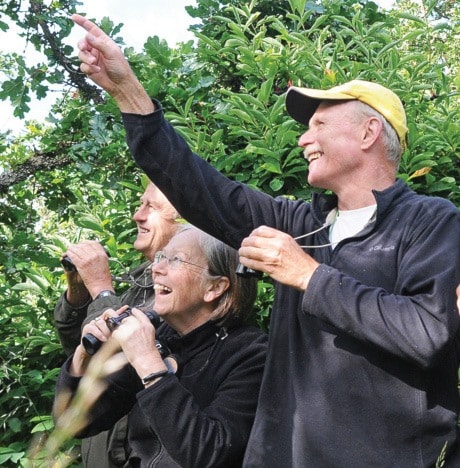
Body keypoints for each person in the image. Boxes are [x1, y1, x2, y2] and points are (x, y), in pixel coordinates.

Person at [71, 14, 460, 466]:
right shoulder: (297, 221)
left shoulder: (431, 221)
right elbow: (199, 188)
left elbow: (429, 333)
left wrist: (308, 276)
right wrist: (127, 92)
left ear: (369, 132)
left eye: (318, 124)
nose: (302, 139)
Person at [54, 225, 268, 467]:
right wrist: (81, 359)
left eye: (175, 260)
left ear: (215, 287)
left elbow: (209, 453)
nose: (156, 268)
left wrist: (149, 363)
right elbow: (74, 423)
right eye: (161, 257)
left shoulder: (251, 355)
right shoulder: (164, 335)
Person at [54, 181, 183, 466]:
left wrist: (101, 289)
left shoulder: (186, 290)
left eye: (151, 207)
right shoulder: (139, 277)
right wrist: (79, 292)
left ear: (186, 217)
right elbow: (79, 347)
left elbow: (120, 355)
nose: (138, 215)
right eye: (140, 204)